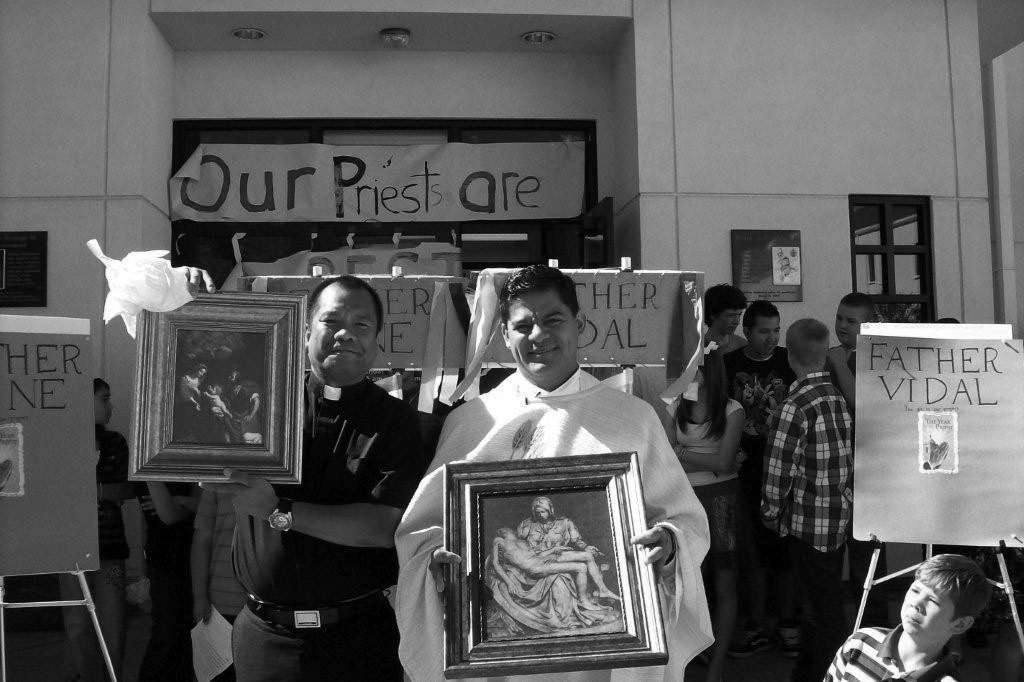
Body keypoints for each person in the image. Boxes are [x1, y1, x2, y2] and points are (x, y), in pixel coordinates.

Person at [395, 264, 712, 682]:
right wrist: (436, 559)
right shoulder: (472, 422)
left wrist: (667, 544)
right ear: (504, 334)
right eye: (523, 325)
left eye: (552, 320)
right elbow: (423, 531)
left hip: (607, 652)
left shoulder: (632, 418)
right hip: (501, 652)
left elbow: (684, 522)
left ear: (579, 324)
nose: (538, 335)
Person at [202, 275, 427, 682]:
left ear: (377, 342)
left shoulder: (398, 422)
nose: (345, 333)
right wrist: (183, 297)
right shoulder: (262, 406)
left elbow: (384, 527)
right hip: (263, 638)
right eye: (331, 320)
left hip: (358, 642)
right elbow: (197, 369)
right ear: (306, 333)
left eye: (361, 324)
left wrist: (279, 510)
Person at [762, 318, 853, 682]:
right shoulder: (837, 397)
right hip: (837, 516)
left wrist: (770, 511)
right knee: (819, 606)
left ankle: (834, 674)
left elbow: (778, 467)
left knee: (823, 611)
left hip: (806, 522)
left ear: (790, 355)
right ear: (824, 354)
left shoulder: (795, 404)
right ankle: (807, 673)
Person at [722, 300, 800, 658]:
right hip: (744, 472)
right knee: (751, 553)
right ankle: (755, 626)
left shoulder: (789, 361)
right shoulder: (728, 365)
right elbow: (716, 414)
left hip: (785, 471)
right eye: (764, 331)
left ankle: (788, 625)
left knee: (784, 551)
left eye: (776, 330)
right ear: (747, 331)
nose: (772, 338)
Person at [672, 347, 744, 682]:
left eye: (692, 368)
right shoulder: (676, 405)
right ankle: (688, 660)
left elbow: (725, 463)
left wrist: (683, 453)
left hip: (722, 501)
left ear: (708, 371)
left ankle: (715, 669)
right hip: (684, 500)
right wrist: (705, 460)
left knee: (724, 584)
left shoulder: (732, 409)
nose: (685, 374)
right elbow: (666, 456)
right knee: (688, 586)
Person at [60, 378, 134, 682]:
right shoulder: (61, 441)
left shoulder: (115, 442)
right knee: (77, 623)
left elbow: (128, 488)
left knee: (113, 624)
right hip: (71, 549)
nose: (111, 406)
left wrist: (95, 490)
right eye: (104, 399)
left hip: (109, 547)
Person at [825, 553, 992, 681]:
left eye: (933, 600)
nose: (916, 602)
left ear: (960, 624)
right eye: (915, 590)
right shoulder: (860, 643)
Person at [826, 292, 889, 626]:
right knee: (833, 550)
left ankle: (874, 625)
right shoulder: (830, 355)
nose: (842, 326)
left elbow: (862, 405)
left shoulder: (879, 356)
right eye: (839, 318)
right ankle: (838, 626)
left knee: (868, 550)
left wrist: (839, 363)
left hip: (870, 470)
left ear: (870, 324)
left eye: (851, 321)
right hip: (833, 468)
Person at [136, 480, 199, 682]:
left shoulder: (190, 462)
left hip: (194, 552)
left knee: (187, 633)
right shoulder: (148, 463)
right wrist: (187, 504)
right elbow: (168, 515)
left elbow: (205, 505)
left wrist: (181, 501)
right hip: (165, 558)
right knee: (168, 631)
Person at [190, 488, 247, 681]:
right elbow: (201, 541)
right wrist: (199, 596)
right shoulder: (217, 482)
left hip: (271, 605)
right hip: (222, 603)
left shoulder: (284, 475)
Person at [704, 283, 748, 355]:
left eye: (739, 314)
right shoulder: (697, 349)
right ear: (713, 315)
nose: (737, 321)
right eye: (731, 315)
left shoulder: (743, 345)